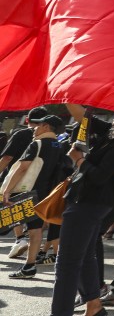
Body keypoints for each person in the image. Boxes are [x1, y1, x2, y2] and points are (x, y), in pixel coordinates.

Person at [52, 113, 114, 316]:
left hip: (88, 202)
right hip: (92, 202)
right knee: (86, 256)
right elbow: (82, 115)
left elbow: (99, 176)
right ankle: (94, 305)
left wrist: (79, 160)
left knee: (66, 265)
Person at [3, 113, 68, 279]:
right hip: (46, 194)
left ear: (46, 127)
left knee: (8, 223)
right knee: (36, 229)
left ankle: (29, 266)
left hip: (28, 192)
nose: (34, 128)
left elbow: (22, 168)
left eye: (38, 125)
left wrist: (7, 190)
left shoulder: (37, 144)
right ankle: (30, 265)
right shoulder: (59, 145)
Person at [1, 107, 48, 260]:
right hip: (41, 182)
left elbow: (7, 158)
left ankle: (20, 239)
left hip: (18, 180)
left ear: (27, 120)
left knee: (13, 208)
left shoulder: (22, 134)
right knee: (34, 218)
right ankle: (36, 253)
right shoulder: (51, 138)